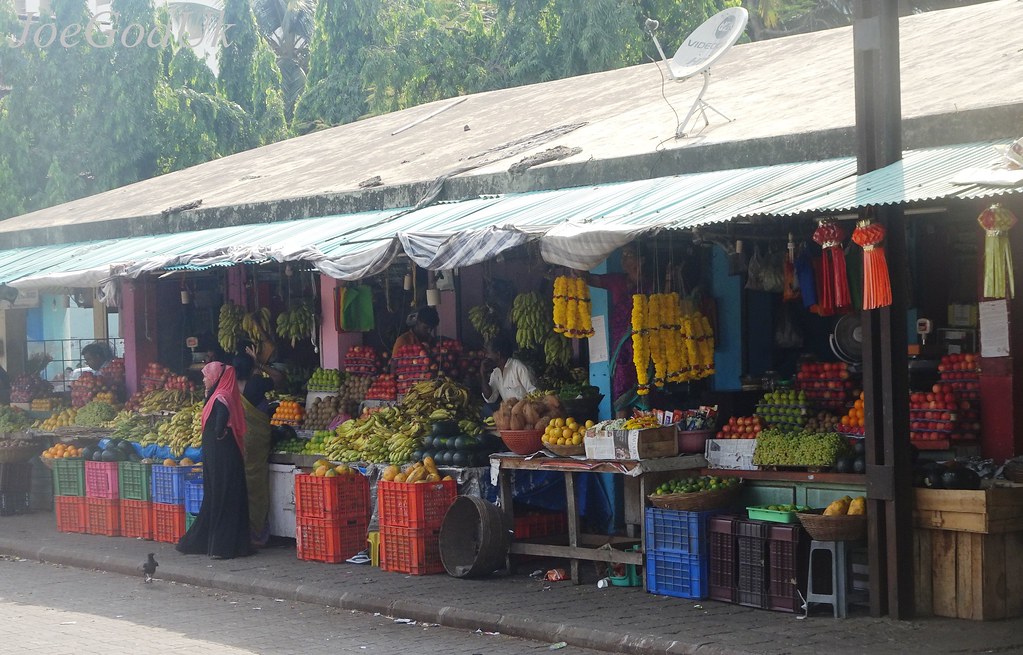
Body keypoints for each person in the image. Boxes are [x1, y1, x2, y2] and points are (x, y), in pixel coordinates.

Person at [177, 362, 253, 560]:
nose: (204, 379)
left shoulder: (221, 397)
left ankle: (216, 545)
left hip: (218, 455)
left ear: (217, 377)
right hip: (223, 454)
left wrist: (219, 432)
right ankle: (225, 546)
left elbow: (220, 423)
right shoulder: (222, 396)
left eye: (206, 376)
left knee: (219, 494)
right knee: (226, 494)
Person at [586, 244, 650, 416]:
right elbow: (591, 279)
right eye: (623, 255)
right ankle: (621, 433)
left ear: (641, 260)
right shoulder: (617, 281)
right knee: (621, 389)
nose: (623, 259)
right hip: (621, 349)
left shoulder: (651, 283)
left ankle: (644, 427)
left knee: (645, 387)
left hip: (645, 347)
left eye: (629, 254)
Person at [233, 347, 279, 548]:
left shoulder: (230, 386)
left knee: (242, 483)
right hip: (257, 441)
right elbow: (280, 378)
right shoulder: (257, 383)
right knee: (257, 485)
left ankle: (242, 530)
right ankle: (258, 534)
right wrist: (260, 364)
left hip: (239, 440)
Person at [480, 334, 537, 405]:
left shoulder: (518, 367)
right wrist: (483, 375)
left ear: (498, 354)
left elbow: (535, 393)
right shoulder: (495, 373)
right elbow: (490, 398)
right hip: (510, 413)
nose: (486, 356)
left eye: (488, 353)